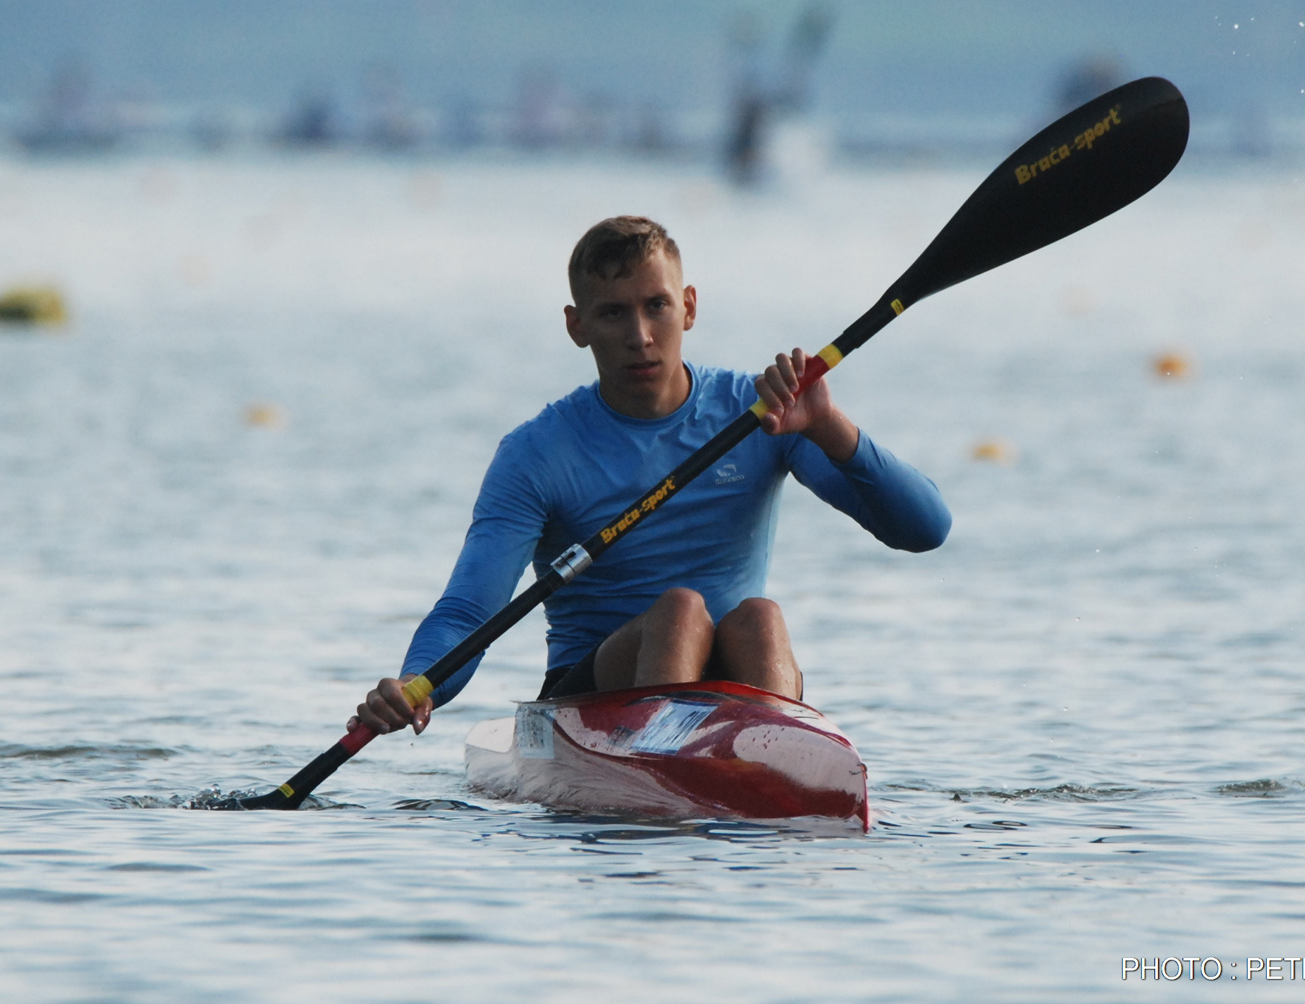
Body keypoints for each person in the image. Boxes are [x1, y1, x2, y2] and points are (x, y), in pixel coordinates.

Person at [352, 216, 951, 737]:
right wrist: (418, 684)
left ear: (688, 306)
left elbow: (926, 529)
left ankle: (763, 757)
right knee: (682, 611)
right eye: (613, 313)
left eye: (655, 306)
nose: (639, 336)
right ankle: (674, 761)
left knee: (760, 617)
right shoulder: (536, 453)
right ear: (576, 325)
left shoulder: (763, 413)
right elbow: (470, 609)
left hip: (738, 683)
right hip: (589, 699)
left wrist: (826, 424)